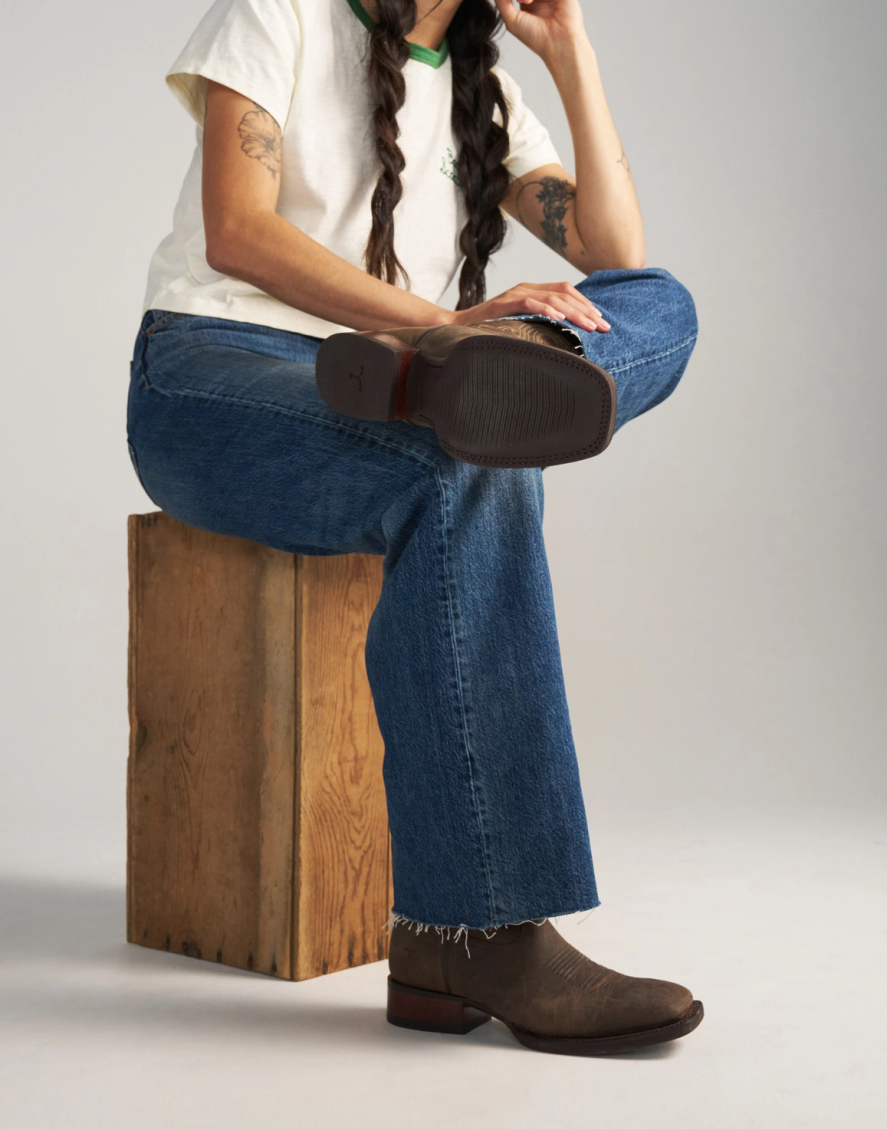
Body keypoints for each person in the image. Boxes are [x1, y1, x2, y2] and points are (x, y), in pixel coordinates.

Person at [127, 0, 701, 1056]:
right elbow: (237, 230)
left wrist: (570, 54)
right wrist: (442, 325)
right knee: (461, 457)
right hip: (215, 376)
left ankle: (514, 368)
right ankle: (474, 933)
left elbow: (616, 255)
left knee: (657, 300)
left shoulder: (484, 86)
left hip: (396, 383)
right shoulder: (279, 10)